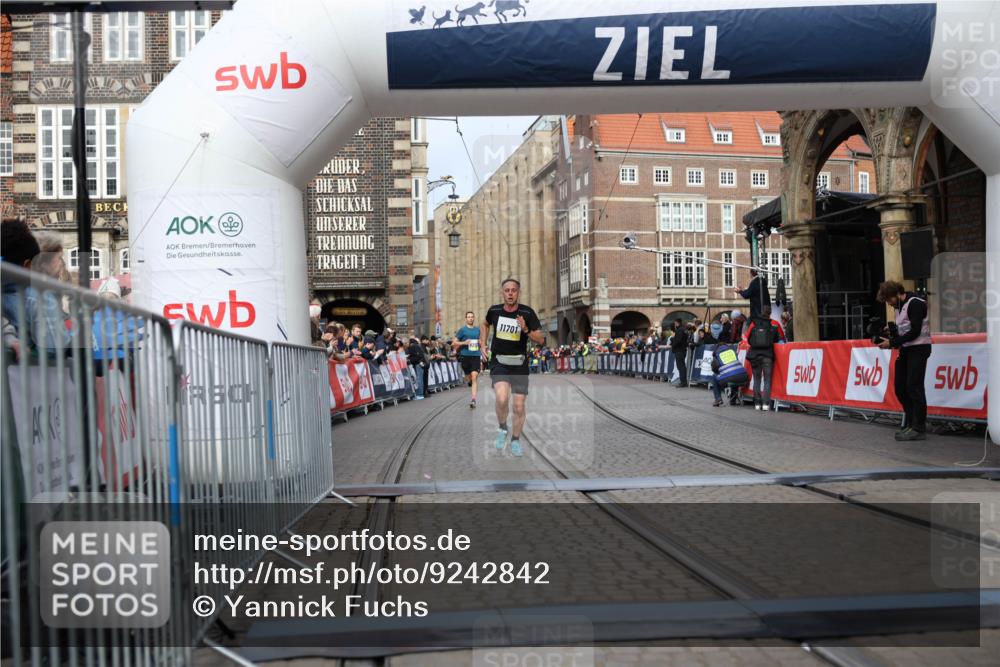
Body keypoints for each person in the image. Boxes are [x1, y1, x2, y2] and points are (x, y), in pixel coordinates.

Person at [479, 278, 544, 457]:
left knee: (519, 406)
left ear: (518, 292)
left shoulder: (527, 313)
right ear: (502, 293)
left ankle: (515, 440)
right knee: (501, 397)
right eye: (507, 290)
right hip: (499, 362)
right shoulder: (494, 311)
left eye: (513, 290)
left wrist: (525, 330)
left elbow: (541, 339)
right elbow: (484, 324)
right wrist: (483, 343)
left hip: (519, 364)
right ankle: (502, 428)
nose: (510, 293)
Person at [877, 281, 932, 441]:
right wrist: (892, 333)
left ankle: (919, 428)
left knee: (914, 386)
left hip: (919, 348)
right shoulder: (899, 306)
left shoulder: (915, 303)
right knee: (900, 387)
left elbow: (915, 331)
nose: (889, 304)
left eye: (889, 300)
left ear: (896, 294)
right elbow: (906, 328)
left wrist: (892, 343)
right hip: (906, 349)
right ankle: (911, 421)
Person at [743, 305, 785, 410]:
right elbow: (781, 339)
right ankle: (766, 404)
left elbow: (747, 339)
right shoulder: (774, 324)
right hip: (767, 355)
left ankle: (757, 403)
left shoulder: (753, 324)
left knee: (757, 380)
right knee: (767, 380)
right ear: (770, 313)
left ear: (761, 312)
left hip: (755, 356)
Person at [453, 311, 482, 408]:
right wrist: (464, 343)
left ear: (474, 318)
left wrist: (481, 344)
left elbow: (481, 341)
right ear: (466, 319)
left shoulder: (478, 330)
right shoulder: (462, 330)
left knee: (474, 376)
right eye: (469, 317)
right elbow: (454, 343)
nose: (470, 318)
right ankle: (469, 380)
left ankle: (473, 399)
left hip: (476, 355)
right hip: (465, 356)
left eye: (472, 317)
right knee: (468, 377)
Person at [669, 318, 689, 387]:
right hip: (682, 350)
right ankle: (683, 381)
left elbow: (678, 340)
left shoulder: (680, 330)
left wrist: (673, 343)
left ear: (677, 323)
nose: (674, 325)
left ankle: (683, 382)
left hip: (679, 350)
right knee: (681, 366)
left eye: (675, 324)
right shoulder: (683, 329)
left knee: (681, 366)